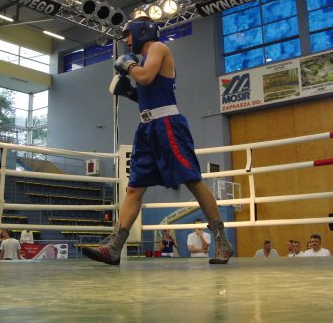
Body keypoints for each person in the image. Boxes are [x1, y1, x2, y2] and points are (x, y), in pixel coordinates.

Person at [83, 18, 233, 265]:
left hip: (167, 125)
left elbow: (144, 77)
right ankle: (114, 247)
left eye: (128, 35)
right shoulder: (144, 60)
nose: (126, 41)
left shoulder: (158, 48)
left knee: (193, 181)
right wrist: (129, 91)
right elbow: (149, 92)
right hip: (146, 128)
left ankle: (221, 240)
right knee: (134, 188)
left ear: (141, 32)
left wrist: (129, 66)